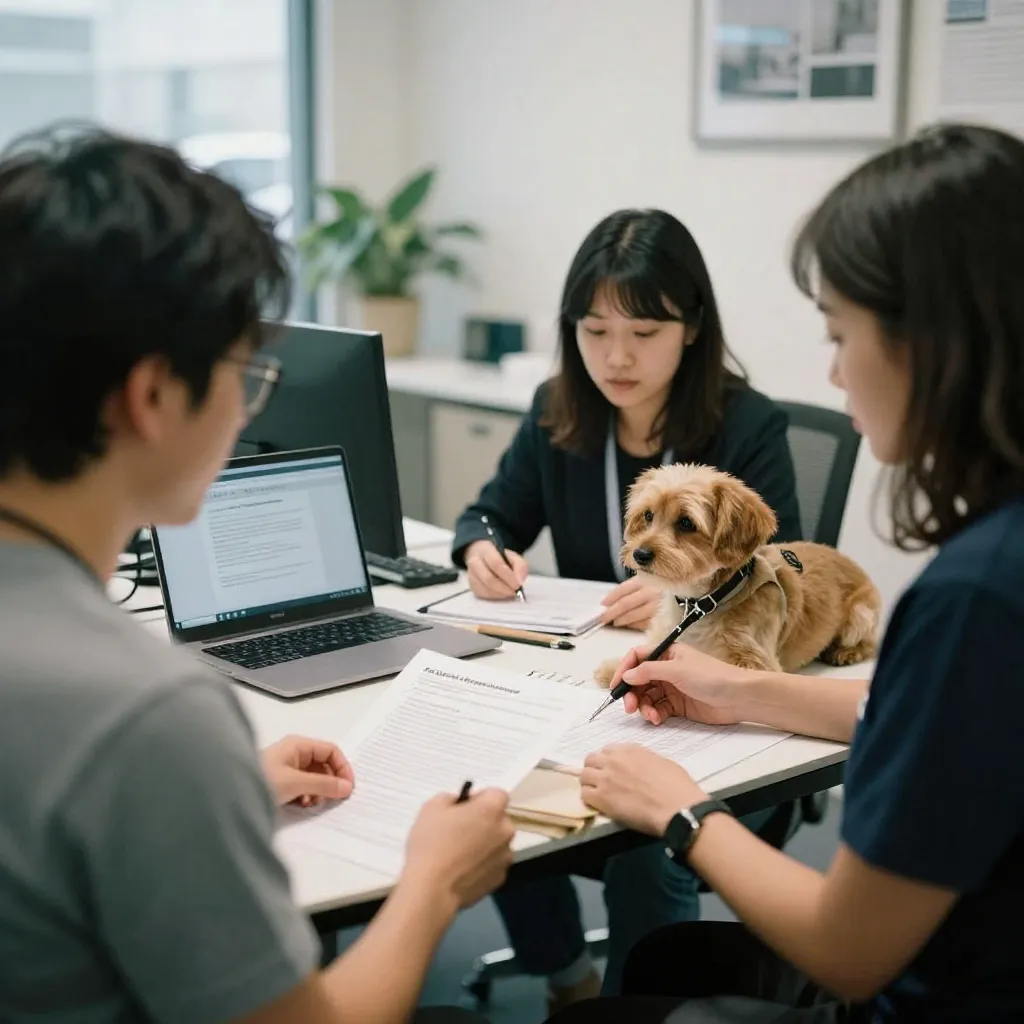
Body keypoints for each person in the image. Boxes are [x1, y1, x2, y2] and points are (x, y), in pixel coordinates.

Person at [0, 125, 511, 1024]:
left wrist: (209, 785)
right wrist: (434, 882)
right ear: (153, 396)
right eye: (246, 374)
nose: (247, 408)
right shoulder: (143, 714)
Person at [549, 122, 1024, 1022]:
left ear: (941, 343)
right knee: (667, 960)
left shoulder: (978, 596)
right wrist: (740, 691)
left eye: (843, 333)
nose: (837, 373)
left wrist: (682, 810)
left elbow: (849, 951)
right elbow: (908, 706)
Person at [451, 209, 803, 1006]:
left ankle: (638, 1009)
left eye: (643, 331)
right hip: (600, 682)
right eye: (593, 328)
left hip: (708, 702)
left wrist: (697, 582)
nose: (616, 356)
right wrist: (480, 549)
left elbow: (789, 563)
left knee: (648, 845)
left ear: (691, 327)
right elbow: (488, 514)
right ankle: (569, 982)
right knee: (485, 773)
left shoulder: (746, 425)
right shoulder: (559, 410)